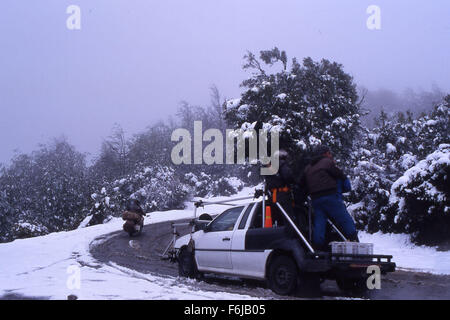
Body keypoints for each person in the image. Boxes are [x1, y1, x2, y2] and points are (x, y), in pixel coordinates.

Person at [299, 145, 358, 250]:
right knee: (344, 219)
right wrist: (344, 186)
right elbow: (341, 176)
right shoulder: (327, 162)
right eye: (329, 153)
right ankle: (354, 240)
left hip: (316, 199)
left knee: (319, 224)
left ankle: (317, 247)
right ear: (325, 153)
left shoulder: (308, 168)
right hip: (330, 196)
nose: (331, 155)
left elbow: (302, 185)